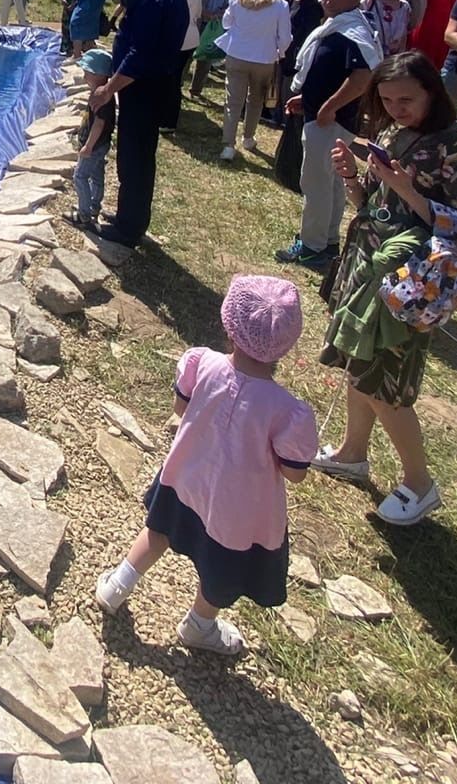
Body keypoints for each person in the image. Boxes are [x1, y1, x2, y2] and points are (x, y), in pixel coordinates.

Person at [93, 275, 317, 656]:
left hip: (185, 477)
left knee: (159, 530)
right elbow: (295, 473)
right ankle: (200, 624)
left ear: (229, 326)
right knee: (221, 573)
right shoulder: (287, 411)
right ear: (285, 345)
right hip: (238, 515)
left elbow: (181, 409)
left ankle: (117, 585)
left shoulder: (202, 362)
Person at [312, 52, 457, 525]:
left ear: (433, 90)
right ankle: (353, 452)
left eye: (406, 99)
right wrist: (352, 176)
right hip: (366, 266)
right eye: (387, 99)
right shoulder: (393, 134)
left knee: (386, 382)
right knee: (357, 362)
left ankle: (419, 483)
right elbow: (370, 201)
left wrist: (408, 189)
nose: (396, 108)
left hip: (409, 282)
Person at [86, 0, 188, 247]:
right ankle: (130, 216)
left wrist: (107, 89)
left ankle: (128, 229)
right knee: (139, 158)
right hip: (155, 87)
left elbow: (138, 56)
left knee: (135, 160)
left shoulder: (152, 0)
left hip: (142, 91)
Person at [276, 0, 382, 268]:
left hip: (331, 122)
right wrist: (308, 99)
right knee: (332, 182)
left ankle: (311, 247)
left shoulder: (352, 32)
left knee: (316, 183)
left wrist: (329, 107)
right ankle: (328, 241)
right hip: (323, 116)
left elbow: (363, 77)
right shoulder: (339, 26)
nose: (328, 1)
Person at [218, 0, 292, 161]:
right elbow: (285, 37)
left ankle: (228, 145)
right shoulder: (280, 6)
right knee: (256, 100)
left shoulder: (236, 1)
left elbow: (226, 23)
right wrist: (279, 52)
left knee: (233, 102)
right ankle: (248, 137)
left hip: (237, 55)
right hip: (264, 58)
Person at [72, 47, 116, 228]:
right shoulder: (103, 93)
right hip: (101, 145)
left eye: (87, 73)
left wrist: (88, 146)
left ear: (98, 75)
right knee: (97, 176)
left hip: (94, 146)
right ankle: (94, 207)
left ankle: (83, 215)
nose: (84, 78)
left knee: (80, 177)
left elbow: (99, 124)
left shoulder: (101, 97)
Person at [189, 0, 237, 99]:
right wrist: (203, 12)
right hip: (196, 22)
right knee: (186, 56)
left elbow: (232, 6)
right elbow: (191, 1)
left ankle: (196, 90)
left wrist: (221, 13)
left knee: (206, 58)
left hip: (214, 27)